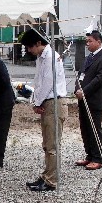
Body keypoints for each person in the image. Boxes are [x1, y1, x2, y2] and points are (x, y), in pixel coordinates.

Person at [20, 28, 68, 192]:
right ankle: (46, 175)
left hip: (54, 102)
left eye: (30, 47)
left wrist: (37, 102)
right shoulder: (42, 58)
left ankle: (51, 180)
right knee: (47, 144)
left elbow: (48, 83)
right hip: (47, 102)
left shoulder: (51, 57)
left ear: (39, 43)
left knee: (52, 144)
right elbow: (38, 81)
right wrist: (35, 100)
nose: (29, 50)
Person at [74, 30, 102, 170]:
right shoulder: (89, 57)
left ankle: (97, 158)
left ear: (98, 42)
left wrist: (84, 91)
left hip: (94, 100)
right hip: (82, 99)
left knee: (94, 128)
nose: (88, 44)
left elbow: (99, 79)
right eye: (87, 41)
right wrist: (77, 88)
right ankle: (89, 155)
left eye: (90, 41)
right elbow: (80, 74)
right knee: (85, 128)